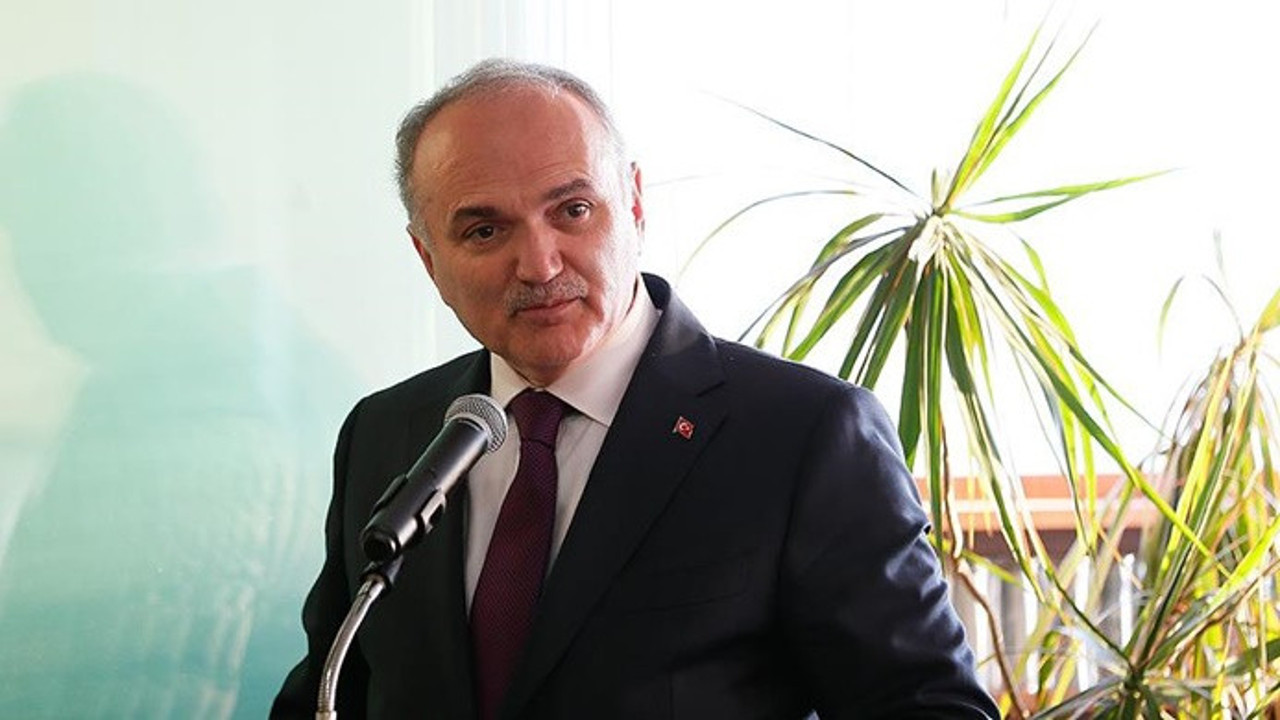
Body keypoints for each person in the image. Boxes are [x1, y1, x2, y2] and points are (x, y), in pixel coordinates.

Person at [272, 58, 999, 719]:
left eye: (572, 210)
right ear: (428, 258)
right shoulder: (387, 432)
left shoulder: (804, 434)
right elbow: (328, 695)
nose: (539, 263)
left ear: (636, 203)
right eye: (485, 231)